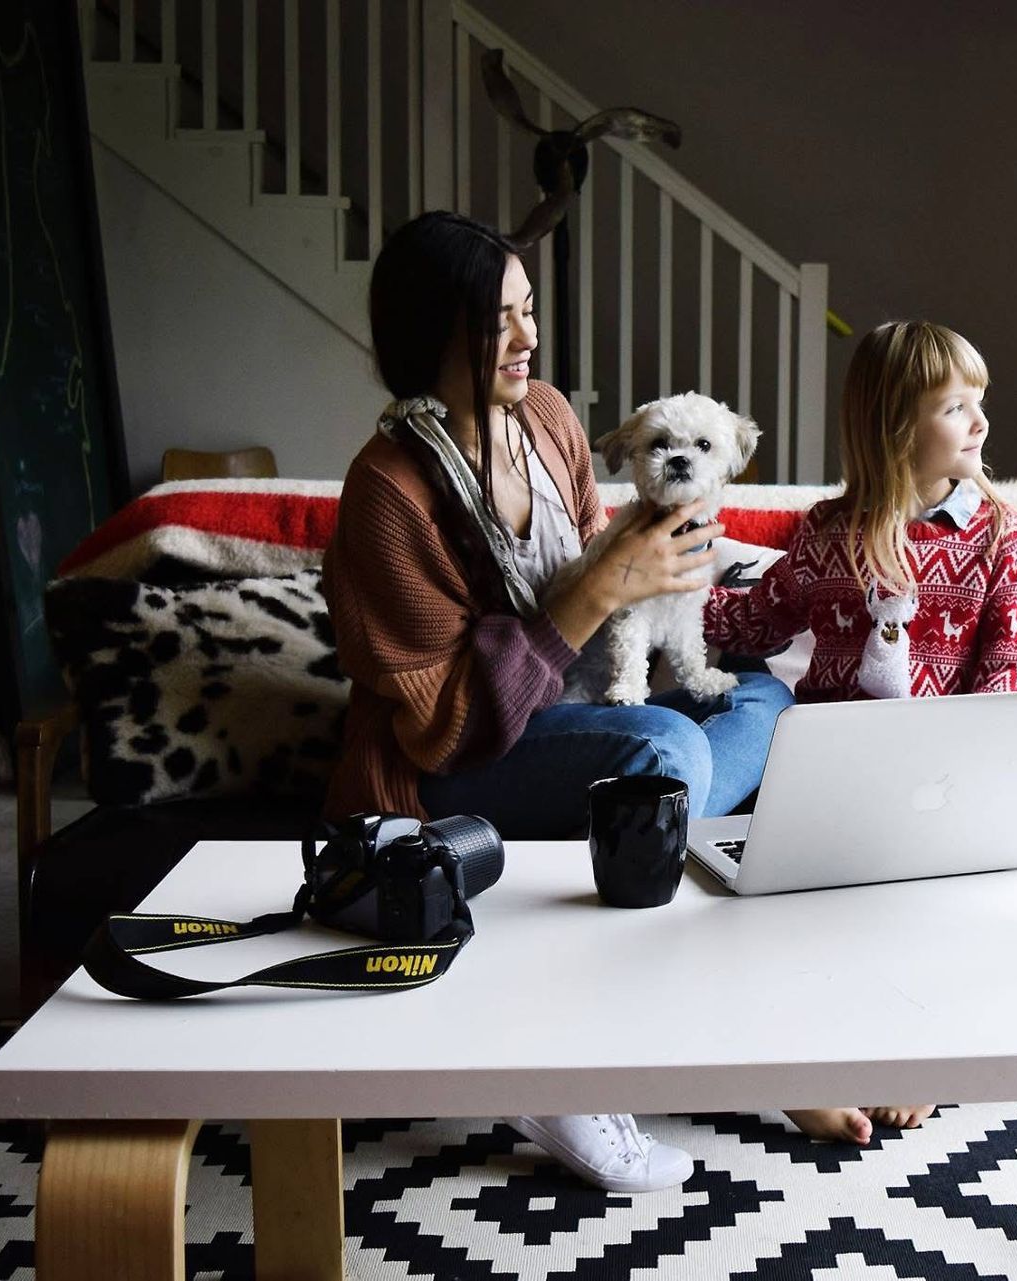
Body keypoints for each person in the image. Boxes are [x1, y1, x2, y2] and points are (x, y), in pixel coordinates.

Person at [323, 211, 792, 1192]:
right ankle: (560, 1056)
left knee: (761, 701)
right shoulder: (389, 488)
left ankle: (678, 851)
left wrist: (687, 583)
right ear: (433, 336)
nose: (530, 339)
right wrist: (599, 594)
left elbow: (614, 586)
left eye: (530, 312)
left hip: (574, 713)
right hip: (453, 759)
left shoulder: (548, 422)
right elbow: (447, 720)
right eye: (502, 321)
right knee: (661, 751)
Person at [704, 320, 1017, 1144]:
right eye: (956, 407)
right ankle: (797, 1067)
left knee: (933, 903)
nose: (980, 422)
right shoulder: (828, 534)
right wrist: (664, 594)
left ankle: (916, 1050)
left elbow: (1007, 677)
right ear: (895, 428)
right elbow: (755, 621)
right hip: (831, 768)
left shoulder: (1003, 534)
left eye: (978, 402)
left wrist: (967, 776)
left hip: (940, 774)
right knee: (780, 906)